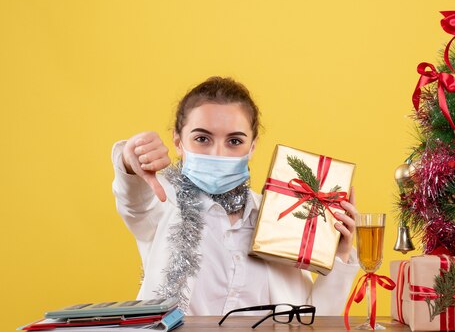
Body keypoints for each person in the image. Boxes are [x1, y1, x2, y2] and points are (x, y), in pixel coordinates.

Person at [111, 76, 359, 316]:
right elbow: (134, 199)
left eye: (234, 141)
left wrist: (340, 255)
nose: (218, 153)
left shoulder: (282, 217)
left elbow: (310, 320)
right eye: (202, 138)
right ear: (178, 141)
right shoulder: (163, 202)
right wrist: (130, 159)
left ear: (252, 147)